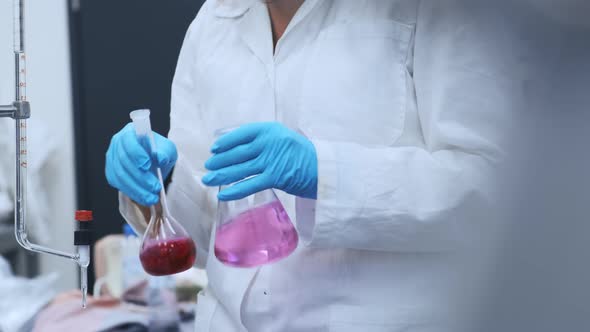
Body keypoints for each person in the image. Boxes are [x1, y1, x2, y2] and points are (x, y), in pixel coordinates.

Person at [106, 0, 511, 330]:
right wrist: (159, 183)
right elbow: (201, 233)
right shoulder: (213, 22)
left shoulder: (438, 10)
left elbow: (493, 192)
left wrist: (326, 173)